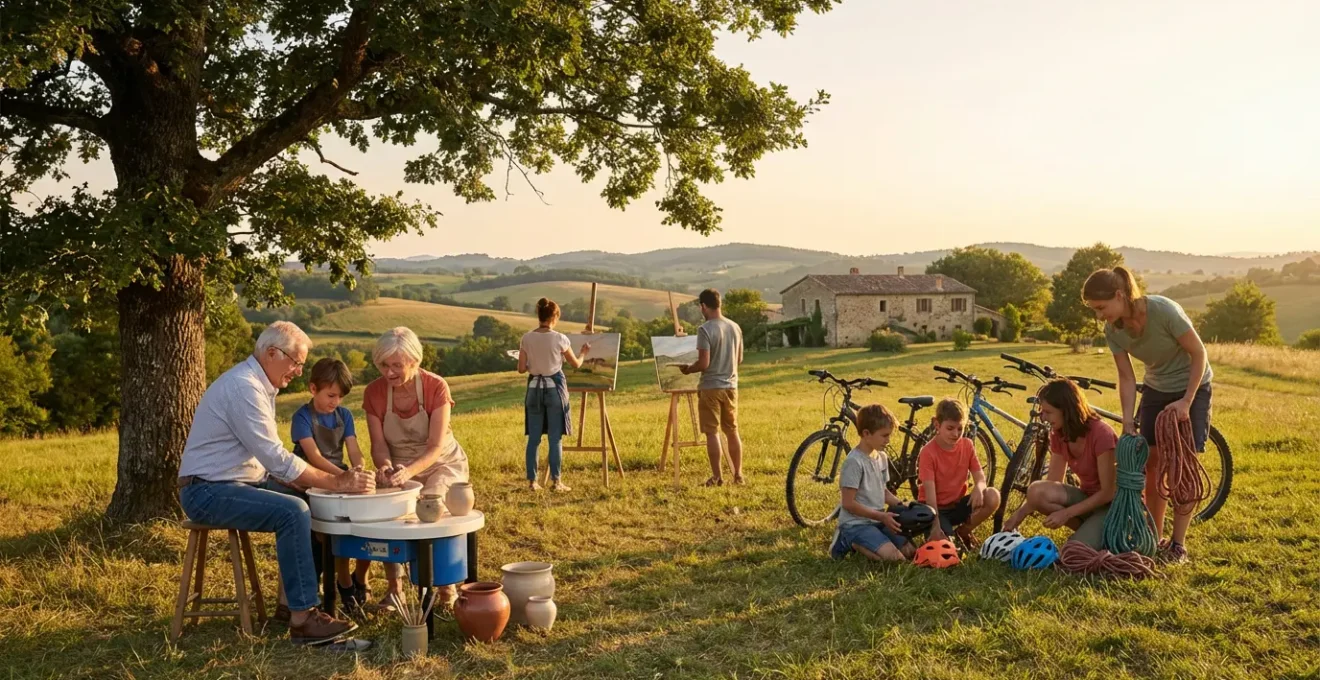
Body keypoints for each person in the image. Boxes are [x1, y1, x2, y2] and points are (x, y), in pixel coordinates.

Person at [178, 321, 374, 646]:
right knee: (293, 511)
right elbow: (278, 459)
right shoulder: (245, 388)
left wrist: (319, 485)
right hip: (205, 491)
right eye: (296, 362)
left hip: (236, 482)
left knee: (311, 498)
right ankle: (304, 618)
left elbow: (272, 464)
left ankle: (294, 603)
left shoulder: (258, 385)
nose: (299, 371)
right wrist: (339, 480)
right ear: (272, 353)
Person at [1084, 266, 1212, 563]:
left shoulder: (1163, 311)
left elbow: (1199, 353)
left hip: (1192, 384)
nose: (1099, 316)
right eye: (1094, 310)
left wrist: (1186, 401)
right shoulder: (1112, 330)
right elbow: (1126, 377)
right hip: (1155, 388)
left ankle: (1178, 545)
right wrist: (1127, 418)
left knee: (1182, 468)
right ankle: (1154, 538)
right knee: (1153, 467)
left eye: (1101, 307)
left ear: (1119, 295)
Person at [363, 327, 469, 608]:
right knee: (390, 512)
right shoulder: (373, 392)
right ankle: (394, 589)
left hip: (441, 463)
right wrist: (385, 467)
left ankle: (446, 587)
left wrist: (410, 472)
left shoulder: (436, 387)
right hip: (399, 466)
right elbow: (379, 445)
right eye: (383, 365)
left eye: (396, 365)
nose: (389, 372)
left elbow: (435, 446)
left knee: (432, 502)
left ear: (415, 361)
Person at [289, 358, 372, 610]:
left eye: (340, 397)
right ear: (313, 389)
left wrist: (359, 468)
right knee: (323, 534)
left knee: (359, 521)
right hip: (308, 479)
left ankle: (353, 580)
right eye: (331, 395)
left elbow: (354, 449)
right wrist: (342, 479)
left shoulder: (343, 415)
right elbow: (313, 457)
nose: (335, 401)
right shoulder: (302, 417)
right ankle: (332, 585)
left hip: (337, 477)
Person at [1003, 379, 1118, 548]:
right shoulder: (1059, 433)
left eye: (1048, 412)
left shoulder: (1102, 434)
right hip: (1088, 499)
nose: (1043, 417)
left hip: (1112, 506)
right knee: (1036, 490)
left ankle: (1099, 534)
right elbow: (1052, 483)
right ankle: (1090, 532)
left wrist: (1066, 514)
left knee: (1072, 553)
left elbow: (1108, 493)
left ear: (1066, 410)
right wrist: (1020, 513)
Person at [517, 298, 590, 492]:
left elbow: (521, 369)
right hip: (554, 390)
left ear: (539, 316)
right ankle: (556, 482)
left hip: (533, 389)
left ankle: (533, 482)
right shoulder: (559, 338)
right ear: (554, 317)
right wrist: (583, 353)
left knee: (533, 439)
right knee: (555, 438)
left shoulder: (526, 338)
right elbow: (576, 364)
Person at [830, 404, 917, 562]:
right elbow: (848, 503)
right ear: (866, 433)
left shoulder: (881, 457)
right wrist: (881, 516)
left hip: (877, 520)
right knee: (895, 559)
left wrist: (903, 504)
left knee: (910, 551)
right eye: (884, 436)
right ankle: (848, 540)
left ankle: (874, 538)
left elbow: (882, 491)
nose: (888, 440)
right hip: (856, 523)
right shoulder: (854, 462)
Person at [679, 288, 745, 486]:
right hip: (731, 387)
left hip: (710, 388)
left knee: (712, 432)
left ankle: (717, 477)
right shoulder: (735, 327)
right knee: (732, 431)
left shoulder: (705, 329)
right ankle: (738, 475)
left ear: (703, 306)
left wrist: (689, 369)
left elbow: (704, 363)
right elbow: (739, 359)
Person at [918, 399, 1000, 549]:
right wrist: (935, 526)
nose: (956, 434)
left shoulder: (967, 445)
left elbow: (980, 477)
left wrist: (979, 488)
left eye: (960, 429)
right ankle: (945, 533)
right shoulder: (928, 452)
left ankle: (963, 532)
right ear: (937, 424)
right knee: (947, 548)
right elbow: (929, 495)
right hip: (934, 509)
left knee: (992, 495)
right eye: (950, 428)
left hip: (957, 506)